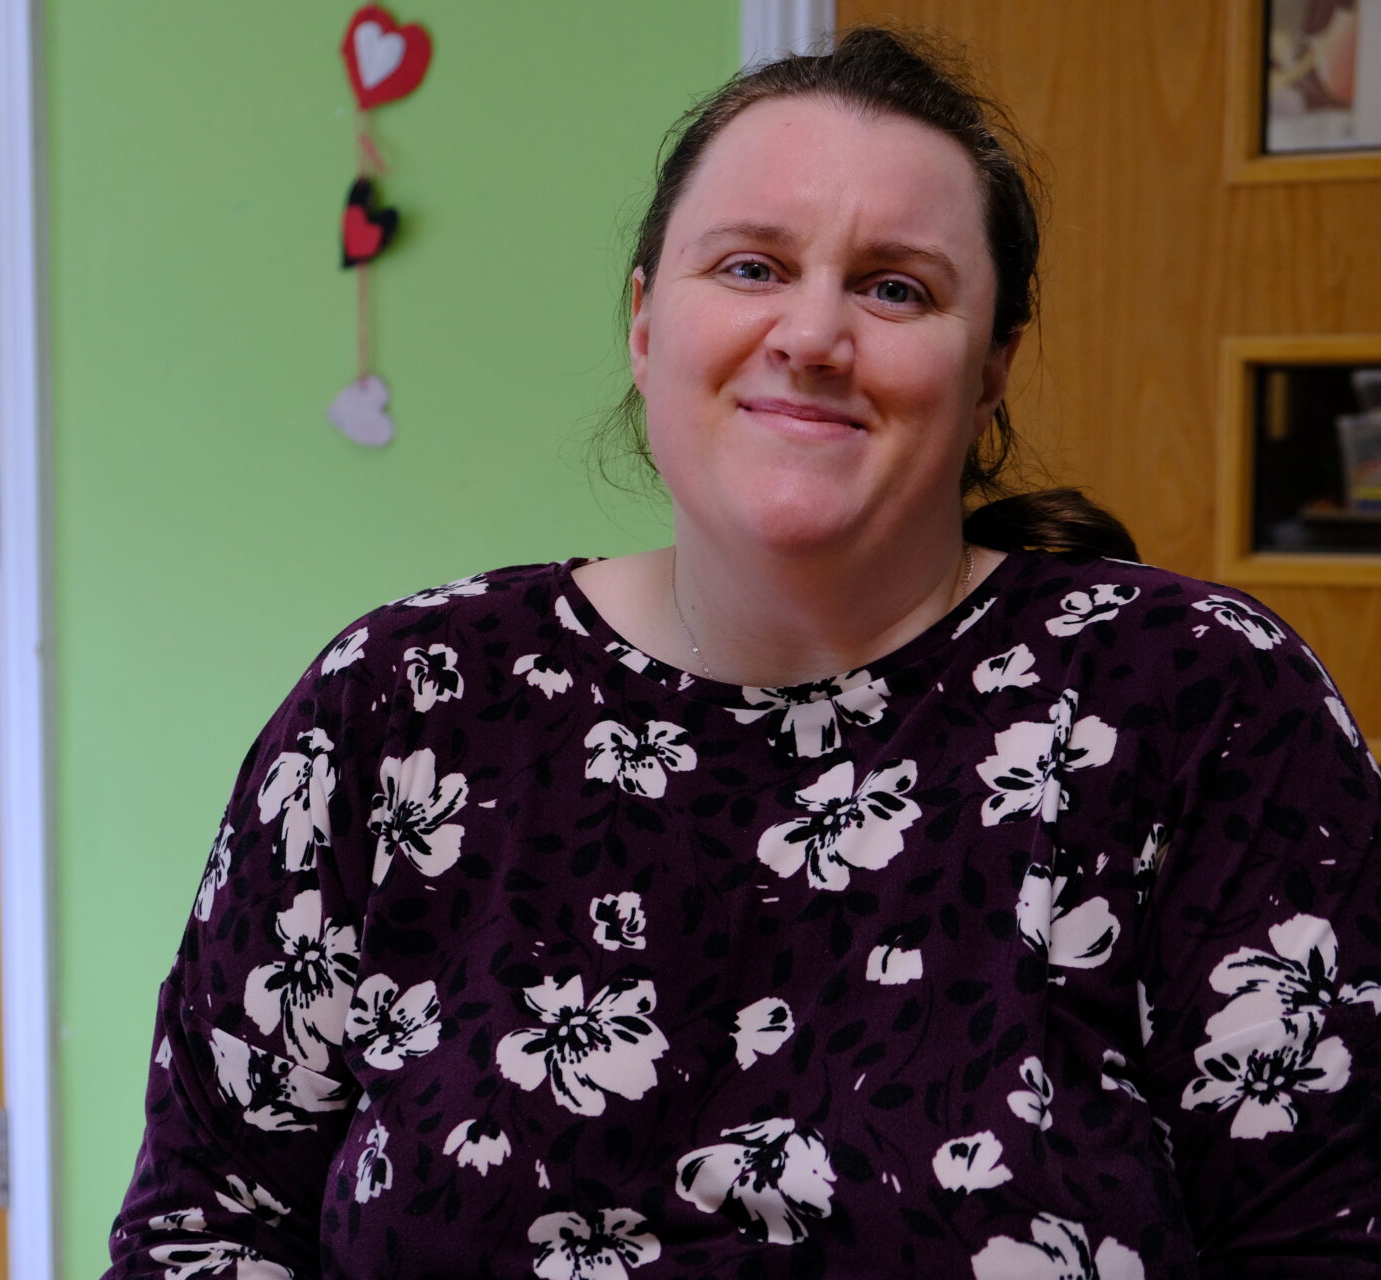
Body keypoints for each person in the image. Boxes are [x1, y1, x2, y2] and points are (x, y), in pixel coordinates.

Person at [104, 27, 1381, 1278]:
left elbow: (1329, 1234)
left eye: (896, 287)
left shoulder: (1203, 702)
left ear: (992, 370)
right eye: (753, 267)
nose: (813, 335)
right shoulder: (402, 703)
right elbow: (203, 1226)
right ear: (647, 322)